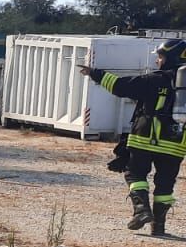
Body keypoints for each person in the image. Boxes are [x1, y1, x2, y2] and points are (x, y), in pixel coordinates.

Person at [80, 38, 186, 236]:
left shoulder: (155, 79)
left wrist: (95, 73)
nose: (157, 61)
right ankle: (159, 227)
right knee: (165, 184)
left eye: (161, 57)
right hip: (176, 145)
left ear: (170, 58)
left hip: (145, 138)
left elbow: (121, 86)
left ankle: (141, 210)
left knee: (134, 174)